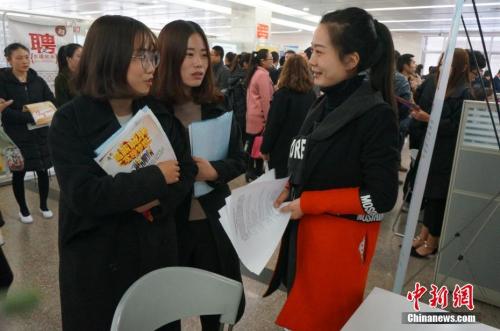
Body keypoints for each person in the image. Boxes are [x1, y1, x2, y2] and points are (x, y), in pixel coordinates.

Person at [48, 15, 196, 330]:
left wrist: (157, 201)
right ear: (108, 57)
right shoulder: (70, 120)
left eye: (153, 56)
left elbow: (185, 170)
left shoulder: (157, 111)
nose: (151, 66)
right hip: (99, 261)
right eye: (140, 56)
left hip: (155, 250)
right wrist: (154, 179)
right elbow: (83, 194)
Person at [265, 8, 399, 330]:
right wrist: (290, 186)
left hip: (336, 251)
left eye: (320, 52)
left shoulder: (374, 114)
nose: (311, 60)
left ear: (351, 60)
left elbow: (381, 197)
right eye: (312, 49)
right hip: (304, 239)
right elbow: (314, 159)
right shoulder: (324, 101)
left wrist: (309, 203)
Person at [155, 20, 246, 330]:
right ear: (168, 57)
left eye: (204, 55)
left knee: (217, 307)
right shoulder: (151, 110)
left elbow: (240, 159)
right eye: (188, 54)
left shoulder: (216, 104)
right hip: (168, 226)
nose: (198, 63)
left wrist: (215, 171)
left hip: (212, 223)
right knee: (167, 310)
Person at [410, 48, 471, 258]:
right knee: (427, 194)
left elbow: (456, 127)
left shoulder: (464, 92)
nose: (444, 68)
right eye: (442, 63)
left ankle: (432, 241)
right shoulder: (438, 85)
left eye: (450, 65)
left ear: (461, 68)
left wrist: (429, 119)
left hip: (446, 151)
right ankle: (423, 234)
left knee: (437, 196)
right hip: (431, 146)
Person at [0, 43, 56, 224]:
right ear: (9, 60)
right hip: (16, 136)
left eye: (26, 56)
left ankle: (44, 205)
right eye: (19, 58)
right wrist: (30, 117)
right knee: (19, 171)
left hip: (40, 134)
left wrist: (43, 114)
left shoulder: (37, 81)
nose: (24, 61)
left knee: (43, 168)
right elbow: (5, 112)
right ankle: (23, 209)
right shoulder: (2, 82)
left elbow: (51, 101)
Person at [260, 55, 316, 178]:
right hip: (302, 146)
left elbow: (273, 124)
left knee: (279, 184)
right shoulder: (311, 94)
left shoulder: (282, 94)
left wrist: (265, 148)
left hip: (282, 147)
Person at [245, 48, 274, 182]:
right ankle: (254, 171)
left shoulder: (255, 72)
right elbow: (266, 100)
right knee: (258, 145)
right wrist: (269, 120)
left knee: (252, 144)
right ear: (263, 61)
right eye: (270, 59)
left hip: (252, 114)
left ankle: (252, 171)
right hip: (259, 117)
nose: (273, 62)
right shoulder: (262, 75)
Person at [227, 52, 251, 137]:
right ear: (245, 64)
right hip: (242, 111)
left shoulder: (232, 73)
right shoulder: (245, 77)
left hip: (232, 110)